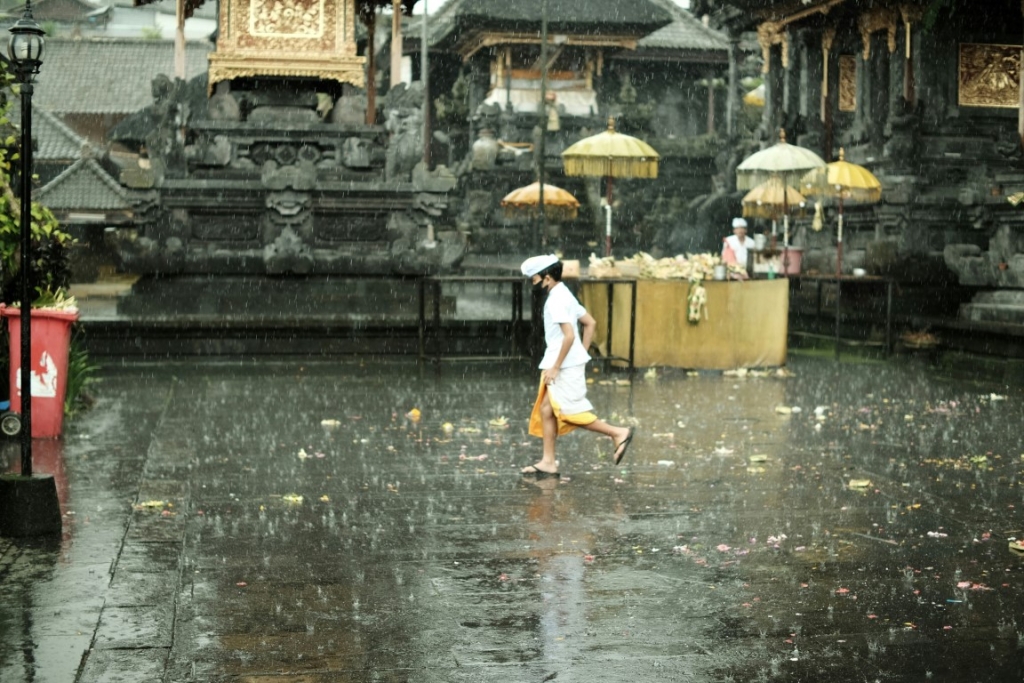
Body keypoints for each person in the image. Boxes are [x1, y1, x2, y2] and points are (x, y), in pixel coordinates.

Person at [519, 254, 634, 477]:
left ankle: (618, 432)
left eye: (535, 278)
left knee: (569, 412)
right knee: (546, 410)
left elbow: (569, 336)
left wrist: (557, 366)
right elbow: (590, 323)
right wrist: (579, 354)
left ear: (548, 277)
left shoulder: (556, 299)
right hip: (565, 362)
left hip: (561, 365)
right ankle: (548, 462)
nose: (533, 282)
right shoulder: (564, 293)